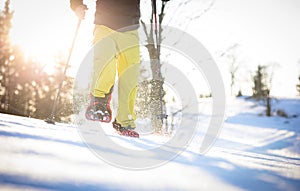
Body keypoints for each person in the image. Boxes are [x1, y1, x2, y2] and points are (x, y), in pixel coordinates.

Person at [70, 0, 141, 138]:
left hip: (130, 27)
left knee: (130, 76)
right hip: (105, 22)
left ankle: (124, 121)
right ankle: (99, 102)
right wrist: (76, 4)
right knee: (105, 63)